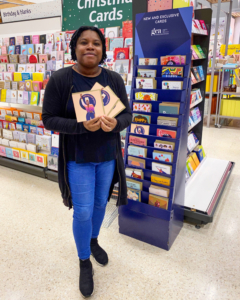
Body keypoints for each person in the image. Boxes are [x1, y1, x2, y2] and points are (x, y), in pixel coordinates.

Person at [42, 26, 132, 298]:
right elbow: (49, 119)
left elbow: (128, 115)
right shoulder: (60, 79)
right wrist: (82, 126)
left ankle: (93, 241)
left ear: (103, 49)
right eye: (84, 43)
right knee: (82, 211)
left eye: (96, 43)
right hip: (78, 159)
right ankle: (84, 260)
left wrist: (117, 122)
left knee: (99, 204)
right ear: (75, 48)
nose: (90, 47)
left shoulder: (113, 79)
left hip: (107, 157)